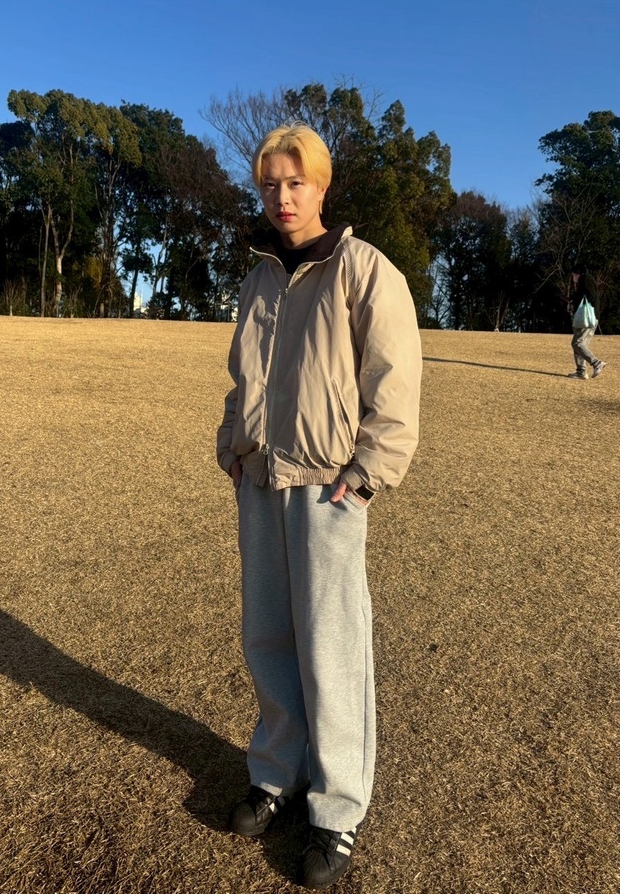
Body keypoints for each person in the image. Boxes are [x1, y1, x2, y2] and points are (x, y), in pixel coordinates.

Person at [216, 123, 423, 889]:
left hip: (329, 485)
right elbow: (243, 377)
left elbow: (394, 383)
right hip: (260, 479)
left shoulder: (365, 271)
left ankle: (337, 810)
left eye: (295, 182)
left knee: (332, 647)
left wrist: (368, 473)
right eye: (270, 184)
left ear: (322, 186)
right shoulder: (258, 278)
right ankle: (277, 772)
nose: (282, 197)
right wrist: (233, 444)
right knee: (269, 635)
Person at [567, 265, 606, 380]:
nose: (573, 277)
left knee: (577, 343)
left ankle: (596, 363)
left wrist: (575, 301)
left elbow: (589, 295)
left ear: (577, 274)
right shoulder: (587, 280)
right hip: (592, 317)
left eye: (573, 275)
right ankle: (581, 372)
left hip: (587, 317)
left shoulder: (585, 279)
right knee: (581, 345)